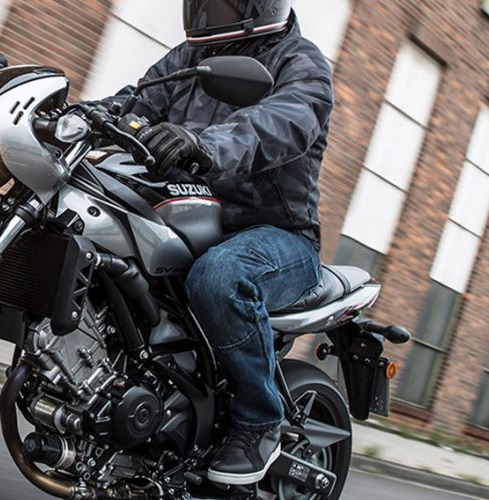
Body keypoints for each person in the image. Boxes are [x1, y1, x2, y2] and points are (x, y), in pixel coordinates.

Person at [117, 0, 334, 486]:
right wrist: (61, 115)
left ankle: (259, 422)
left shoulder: (300, 61)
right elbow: (132, 104)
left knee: (220, 276)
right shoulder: (189, 57)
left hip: (276, 236)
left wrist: (205, 145)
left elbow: (281, 121)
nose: (207, 11)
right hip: (190, 222)